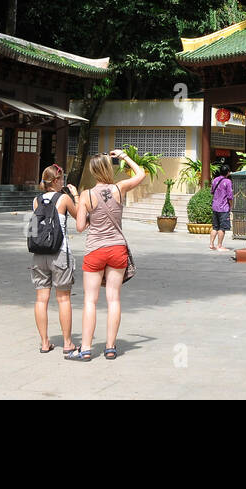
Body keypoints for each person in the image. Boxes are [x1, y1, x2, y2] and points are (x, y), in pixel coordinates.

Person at [70, 149, 145, 361]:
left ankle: (85, 349)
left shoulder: (86, 195)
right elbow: (140, 175)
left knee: (90, 301)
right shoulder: (119, 188)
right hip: (117, 249)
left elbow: (80, 227)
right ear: (108, 168)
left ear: (93, 171)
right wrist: (124, 157)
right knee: (114, 299)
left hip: (95, 249)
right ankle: (110, 347)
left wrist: (78, 200)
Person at [32, 164, 79, 354]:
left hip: (39, 254)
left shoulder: (36, 200)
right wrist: (75, 195)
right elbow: (80, 217)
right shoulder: (64, 198)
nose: (64, 182)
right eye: (62, 179)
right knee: (63, 299)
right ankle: (67, 343)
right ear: (57, 180)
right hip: (60, 253)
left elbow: (33, 228)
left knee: (41, 300)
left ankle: (44, 343)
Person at [208, 164, 233, 251]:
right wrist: (231, 206)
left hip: (215, 206)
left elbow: (212, 191)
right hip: (223, 208)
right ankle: (219, 245)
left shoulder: (215, 180)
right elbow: (230, 196)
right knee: (222, 228)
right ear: (228, 172)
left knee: (215, 227)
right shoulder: (228, 182)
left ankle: (211, 244)